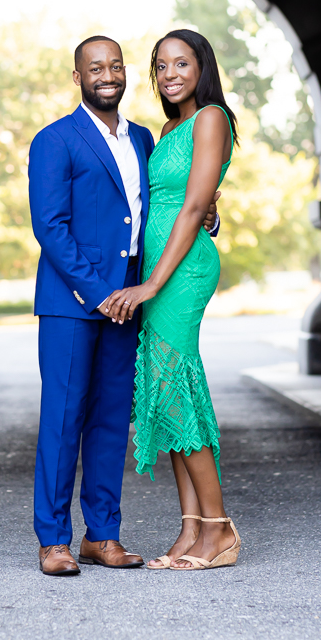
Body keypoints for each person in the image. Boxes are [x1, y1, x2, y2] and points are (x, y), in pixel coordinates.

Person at [28, 35, 219, 576]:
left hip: (129, 302)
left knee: (112, 421)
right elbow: (51, 228)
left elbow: (175, 201)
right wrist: (99, 293)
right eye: (95, 67)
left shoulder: (143, 138)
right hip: (74, 304)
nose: (107, 74)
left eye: (116, 65)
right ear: (78, 77)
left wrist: (209, 218)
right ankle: (54, 540)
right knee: (63, 420)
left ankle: (102, 535)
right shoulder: (54, 140)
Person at [104, 29, 241, 571]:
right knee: (172, 394)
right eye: (161, 66)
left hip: (180, 272)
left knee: (173, 389)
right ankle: (191, 531)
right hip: (162, 265)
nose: (170, 74)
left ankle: (220, 529)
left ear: (201, 66)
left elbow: (192, 209)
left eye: (181, 63)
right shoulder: (170, 126)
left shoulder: (211, 117)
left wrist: (152, 284)